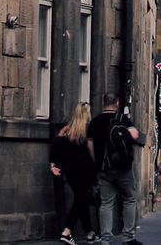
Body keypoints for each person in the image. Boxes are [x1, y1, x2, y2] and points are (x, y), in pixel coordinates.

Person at [87, 93, 142, 244]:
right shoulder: (123, 119)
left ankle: (105, 239)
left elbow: (90, 146)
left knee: (106, 203)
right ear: (117, 103)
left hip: (104, 169)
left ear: (103, 103)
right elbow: (135, 135)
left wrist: (97, 163)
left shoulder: (94, 121)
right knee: (129, 199)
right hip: (123, 168)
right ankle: (128, 237)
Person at [50, 103, 98, 244]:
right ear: (87, 114)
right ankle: (67, 231)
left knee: (81, 198)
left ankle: (89, 232)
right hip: (85, 171)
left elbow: (56, 147)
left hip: (70, 171)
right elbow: (91, 152)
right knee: (81, 199)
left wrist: (53, 164)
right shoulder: (88, 130)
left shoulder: (67, 130)